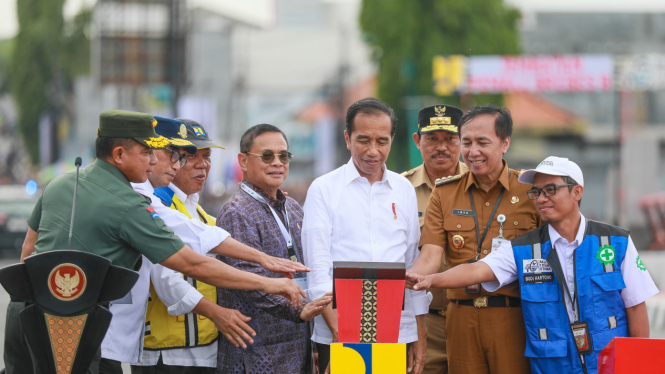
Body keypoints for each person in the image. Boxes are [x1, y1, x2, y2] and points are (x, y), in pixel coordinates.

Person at [11, 110, 306, 374]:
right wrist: (268, 282)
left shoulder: (62, 183)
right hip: (87, 339)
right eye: (147, 152)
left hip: (33, 323)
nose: (155, 161)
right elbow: (188, 261)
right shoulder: (128, 203)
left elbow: (29, 251)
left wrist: (262, 260)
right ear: (118, 154)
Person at [409, 156, 659, 374]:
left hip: (608, 361)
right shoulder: (523, 248)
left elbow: (636, 307)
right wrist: (431, 280)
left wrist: (636, 366)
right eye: (536, 192)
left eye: (550, 190)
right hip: (553, 365)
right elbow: (475, 270)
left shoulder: (614, 241)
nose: (541, 198)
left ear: (576, 192)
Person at [129, 118, 305, 373]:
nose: (202, 165)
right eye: (189, 156)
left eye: (207, 156)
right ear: (164, 158)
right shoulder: (155, 206)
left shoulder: (203, 215)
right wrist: (217, 312)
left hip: (209, 349)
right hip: (166, 355)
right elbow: (168, 281)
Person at [410, 104, 541, 374]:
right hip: (460, 316)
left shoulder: (531, 191)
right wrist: (411, 277)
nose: (473, 152)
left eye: (483, 142)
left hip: (514, 316)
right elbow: (431, 255)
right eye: (467, 142)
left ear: (505, 142)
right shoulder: (444, 193)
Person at [302, 97, 429, 374]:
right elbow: (318, 268)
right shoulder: (324, 189)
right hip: (337, 329)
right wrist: (341, 335)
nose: (373, 151)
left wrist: (419, 330)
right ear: (347, 138)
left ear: (392, 140)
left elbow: (412, 263)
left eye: (382, 141)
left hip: (394, 330)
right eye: (363, 140)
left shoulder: (403, 189)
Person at [216, 124, 332, 373]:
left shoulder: (292, 207)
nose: (277, 162)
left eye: (284, 156)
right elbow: (250, 282)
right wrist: (299, 310)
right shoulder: (236, 212)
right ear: (243, 161)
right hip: (256, 352)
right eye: (267, 156)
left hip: (298, 342)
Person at [401, 104, 468, 374]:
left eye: (450, 139)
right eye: (432, 139)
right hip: (422, 318)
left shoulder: (478, 186)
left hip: (470, 313)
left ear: (462, 141)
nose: (442, 147)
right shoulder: (399, 190)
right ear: (417, 141)